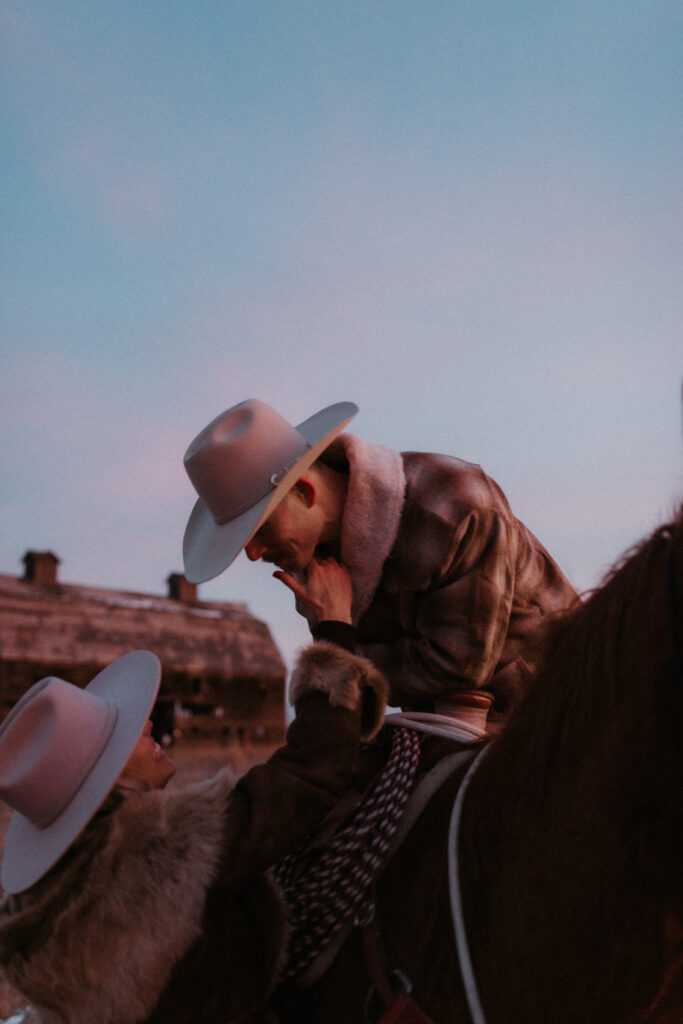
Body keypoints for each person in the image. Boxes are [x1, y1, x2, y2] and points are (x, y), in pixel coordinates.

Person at [0, 644, 388, 1024]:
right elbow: (305, 777)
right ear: (107, 779)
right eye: (127, 735)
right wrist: (332, 648)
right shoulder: (162, 853)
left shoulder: (50, 908)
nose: (150, 724)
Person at [182, 398, 578, 729]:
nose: (253, 554)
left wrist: (342, 639)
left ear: (304, 491)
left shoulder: (454, 505)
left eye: (259, 531)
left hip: (567, 709)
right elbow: (352, 707)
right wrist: (339, 636)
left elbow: (458, 666)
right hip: (455, 735)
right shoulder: (319, 569)